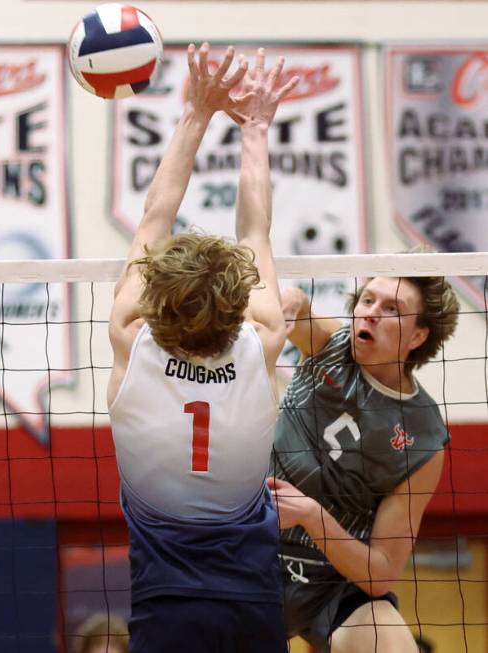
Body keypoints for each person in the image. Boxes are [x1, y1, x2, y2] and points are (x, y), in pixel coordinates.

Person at [106, 44, 298, 652]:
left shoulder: (130, 337)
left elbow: (153, 217)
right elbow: (254, 230)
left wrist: (196, 112)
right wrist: (257, 129)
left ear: (157, 295)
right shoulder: (264, 336)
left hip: (165, 611)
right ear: (239, 299)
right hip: (256, 605)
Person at [269, 270, 459, 651]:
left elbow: (381, 572)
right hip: (253, 550)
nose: (370, 312)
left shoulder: (423, 438)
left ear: (418, 336)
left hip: (333, 585)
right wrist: (290, 298)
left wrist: (312, 515)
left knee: (387, 641)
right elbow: (300, 311)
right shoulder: (332, 346)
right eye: (367, 300)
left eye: (392, 309)